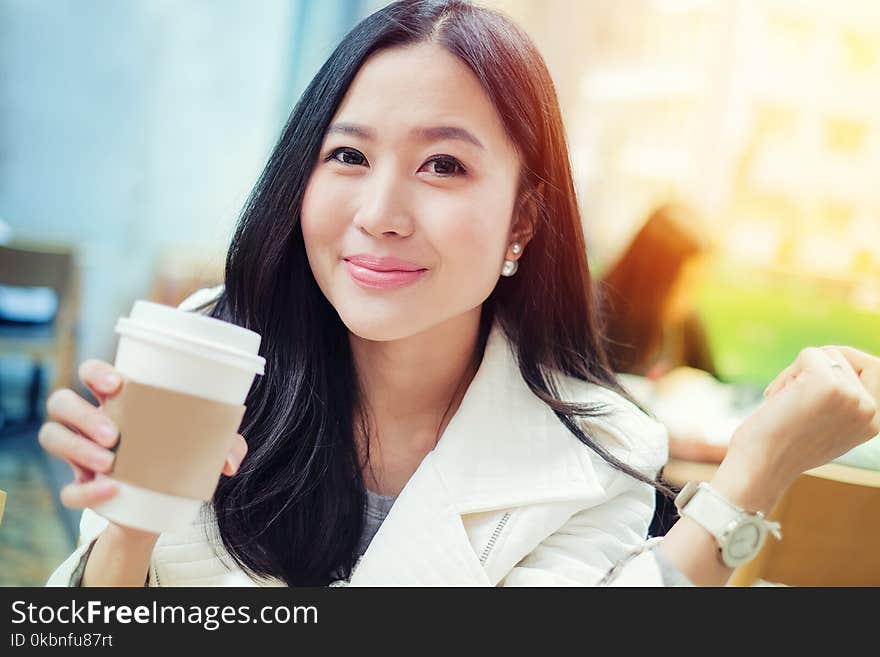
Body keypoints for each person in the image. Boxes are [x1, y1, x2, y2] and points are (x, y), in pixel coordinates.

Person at [41, 0, 878, 587]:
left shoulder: (593, 452)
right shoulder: (211, 355)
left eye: (443, 164)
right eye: (348, 155)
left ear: (523, 220)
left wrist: (760, 466)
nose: (379, 214)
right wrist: (133, 521)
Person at [600, 203, 716, 380]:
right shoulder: (598, 320)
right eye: (685, 285)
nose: (690, 299)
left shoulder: (686, 323)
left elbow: (714, 383)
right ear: (653, 282)